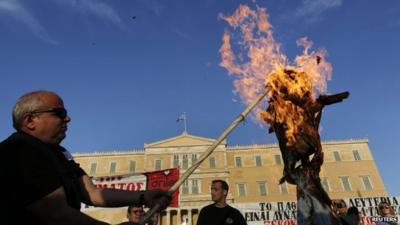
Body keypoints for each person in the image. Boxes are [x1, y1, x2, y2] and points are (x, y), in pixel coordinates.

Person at [0, 90, 171, 225]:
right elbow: (57, 215)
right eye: (60, 112)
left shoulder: (59, 153)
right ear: (30, 121)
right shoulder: (20, 150)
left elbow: (92, 192)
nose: (68, 118)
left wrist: (144, 196)